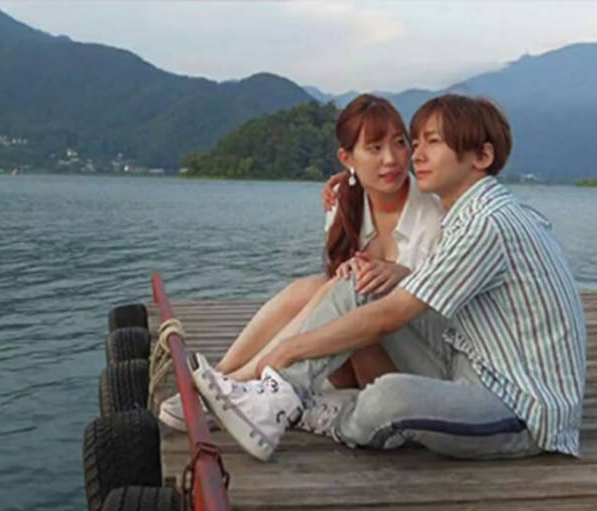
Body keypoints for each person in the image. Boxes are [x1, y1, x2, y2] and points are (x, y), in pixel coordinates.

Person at [190, 94, 586, 462]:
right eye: (416, 142)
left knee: (387, 398)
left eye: (433, 142)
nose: (416, 155)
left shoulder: (487, 222)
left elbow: (391, 316)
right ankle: (276, 397)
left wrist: (288, 349)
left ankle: (315, 411)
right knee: (363, 281)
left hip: (520, 411)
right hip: (468, 364)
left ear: (482, 156)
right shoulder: (468, 214)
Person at [158, 94, 445, 431]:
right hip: (351, 356)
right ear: (347, 158)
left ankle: (235, 388)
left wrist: (398, 276)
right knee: (312, 287)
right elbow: (334, 292)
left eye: (399, 143)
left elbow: (433, 308)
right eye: (375, 148)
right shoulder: (344, 200)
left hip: (408, 371)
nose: (392, 159)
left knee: (348, 287)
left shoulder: (432, 214)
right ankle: (222, 377)